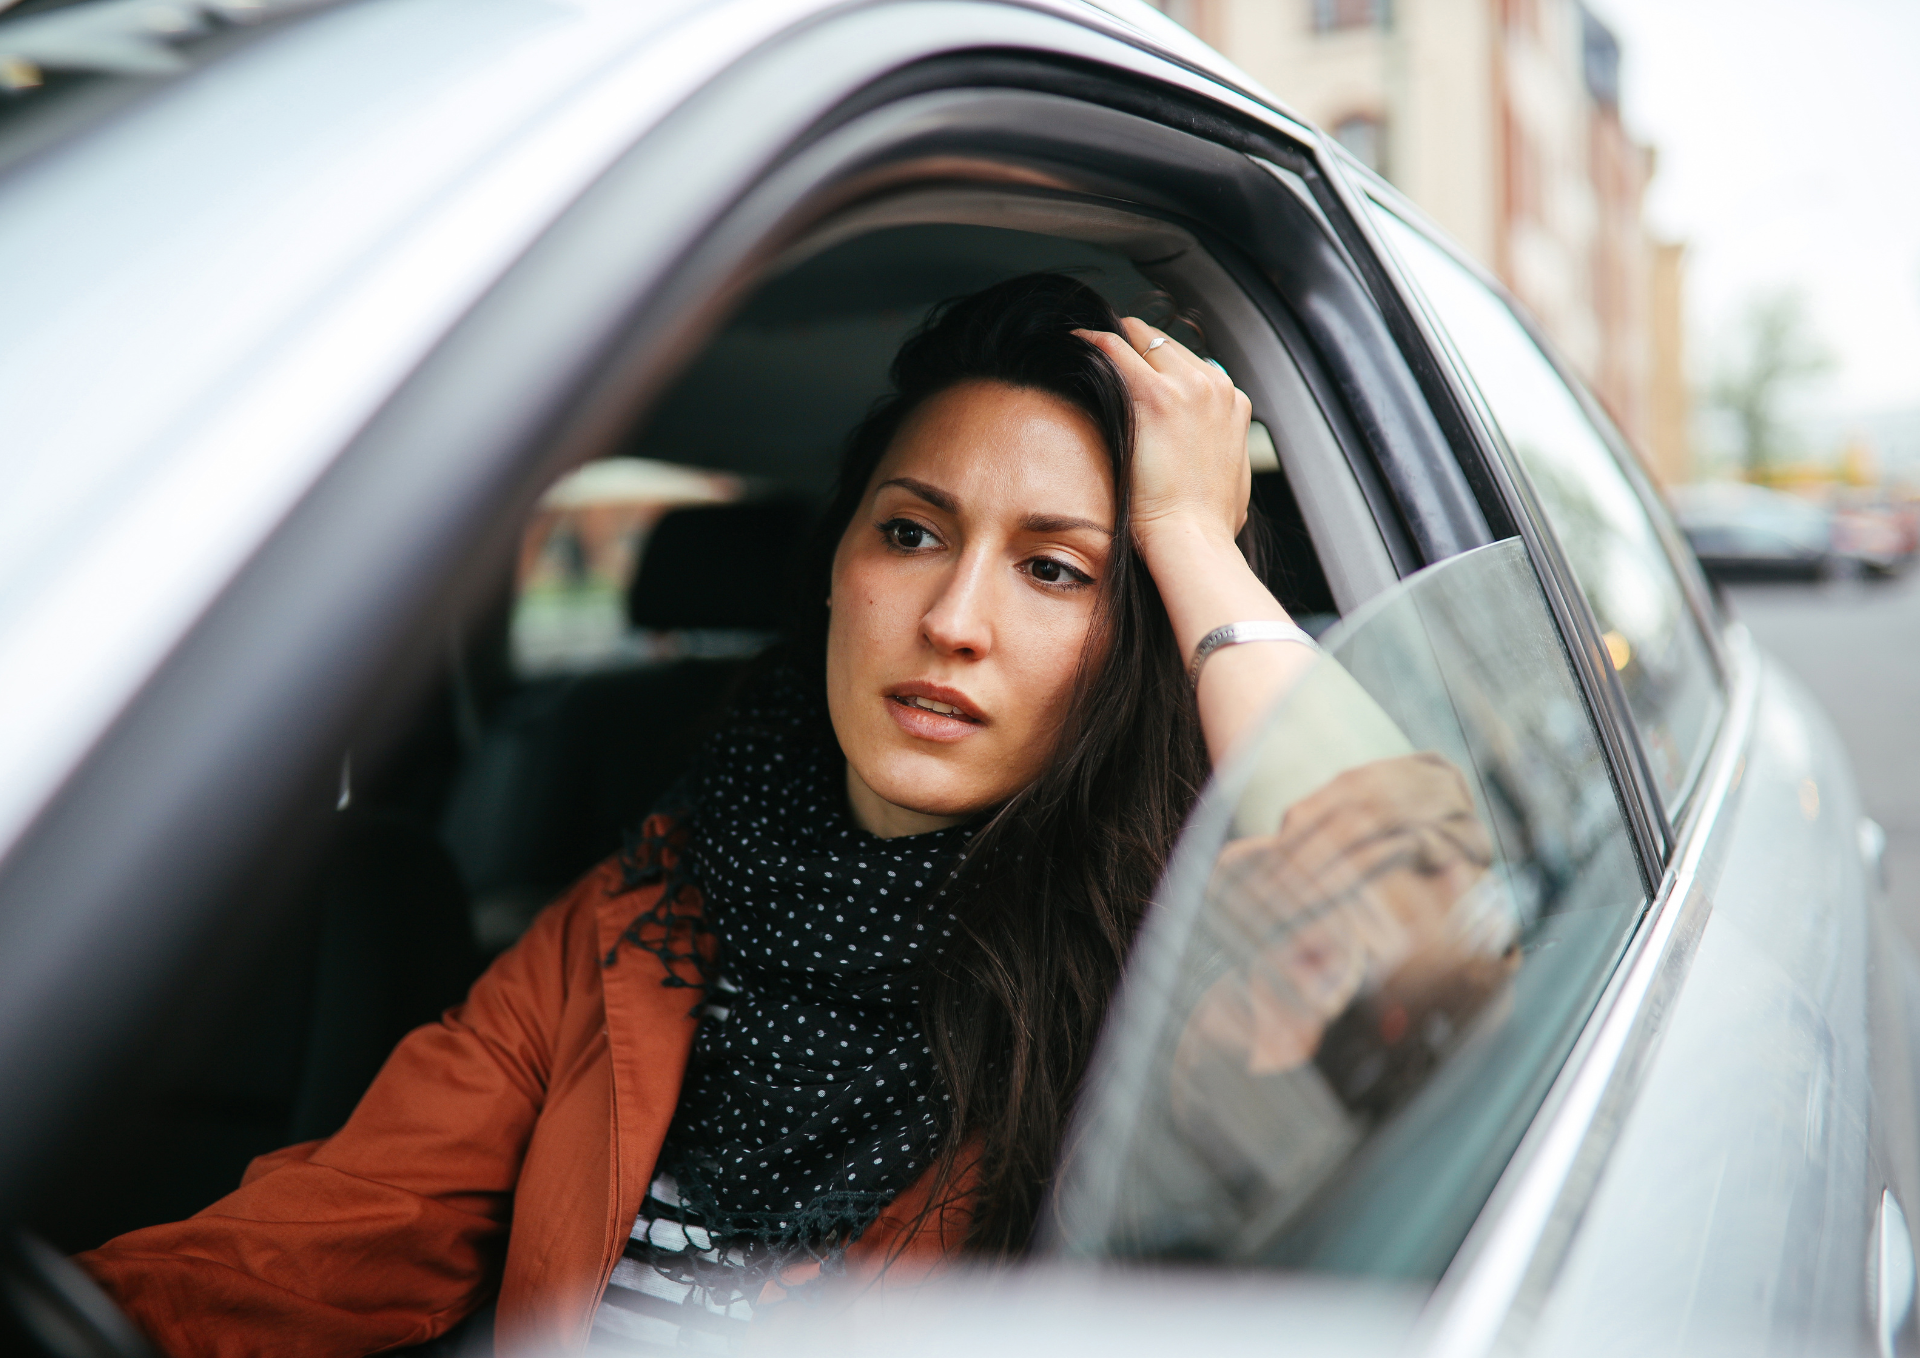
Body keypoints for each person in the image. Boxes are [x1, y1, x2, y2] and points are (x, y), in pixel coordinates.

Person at [75, 274, 1491, 1357]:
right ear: (835, 570)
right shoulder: (651, 904)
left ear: (1134, 635)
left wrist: (1192, 534)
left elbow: (1424, 929)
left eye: (1056, 571)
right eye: (912, 531)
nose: (951, 620)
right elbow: (339, 1228)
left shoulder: (1174, 970)